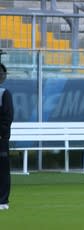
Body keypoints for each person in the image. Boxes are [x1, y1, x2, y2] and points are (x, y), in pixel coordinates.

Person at [0, 63, 14, 210]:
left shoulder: (4, 93)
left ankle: (3, 201)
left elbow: (7, 117)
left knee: (3, 170)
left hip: (1, 139)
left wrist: (2, 134)